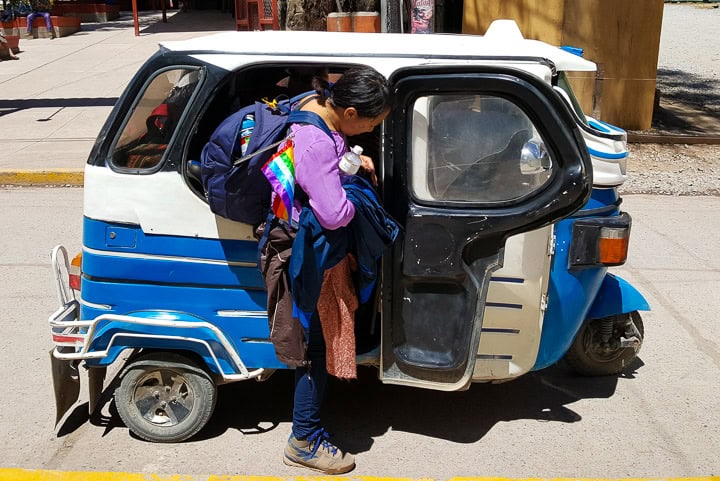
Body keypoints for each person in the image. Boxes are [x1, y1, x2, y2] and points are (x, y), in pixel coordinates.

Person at [257, 66, 392, 474]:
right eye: (371, 122)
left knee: (316, 345)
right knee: (313, 351)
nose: (371, 128)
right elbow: (334, 214)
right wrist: (356, 193)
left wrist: (349, 162)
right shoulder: (316, 141)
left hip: (307, 245)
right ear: (349, 112)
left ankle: (307, 433)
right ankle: (304, 440)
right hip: (306, 256)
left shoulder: (315, 106)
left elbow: (323, 173)